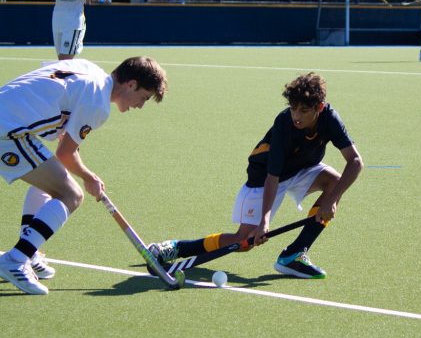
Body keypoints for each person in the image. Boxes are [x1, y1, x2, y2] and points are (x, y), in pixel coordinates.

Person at [0, 56, 168, 295]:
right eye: (143, 97)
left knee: (51, 181)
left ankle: (29, 253)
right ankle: (15, 259)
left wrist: (63, 128)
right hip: (1, 133)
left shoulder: (88, 68)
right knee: (71, 194)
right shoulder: (98, 104)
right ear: (131, 84)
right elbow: (66, 154)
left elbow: (50, 87)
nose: (140, 105)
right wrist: (89, 177)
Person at [147, 73, 362, 279]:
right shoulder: (284, 124)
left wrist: (332, 201)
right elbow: (272, 176)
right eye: (293, 108)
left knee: (334, 182)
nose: (296, 116)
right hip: (264, 177)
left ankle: (293, 255)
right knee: (244, 240)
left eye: (304, 111)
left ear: (320, 108)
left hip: (300, 170)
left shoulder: (329, 118)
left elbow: (355, 161)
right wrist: (264, 221)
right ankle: (177, 248)